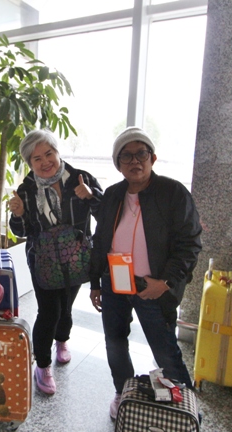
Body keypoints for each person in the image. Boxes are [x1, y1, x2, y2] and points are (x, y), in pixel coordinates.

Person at [88, 127, 202, 420]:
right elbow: (100, 240)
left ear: (153, 158)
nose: (134, 160)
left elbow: (190, 244)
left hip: (152, 286)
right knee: (115, 343)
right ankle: (123, 393)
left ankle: (186, 408)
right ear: (118, 164)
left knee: (165, 351)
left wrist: (165, 283)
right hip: (115, 282)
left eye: (141, 153)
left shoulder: (173, 192)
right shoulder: (113, 194)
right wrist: (95, 283)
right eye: (126, 156)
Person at [9, 129, 103, 395]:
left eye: (48, 153)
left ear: (57, 151)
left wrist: (91, 196)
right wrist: (18, 214)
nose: (45, 162)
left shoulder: (81, 178)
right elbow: (21, 231)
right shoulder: (26, 190)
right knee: (49, 311)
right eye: (36, 158)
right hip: (43, 259)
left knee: (66, 306)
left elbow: (106, 213)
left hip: (76, 256)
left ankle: (62, 340)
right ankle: (42, 365)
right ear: (30, 163)